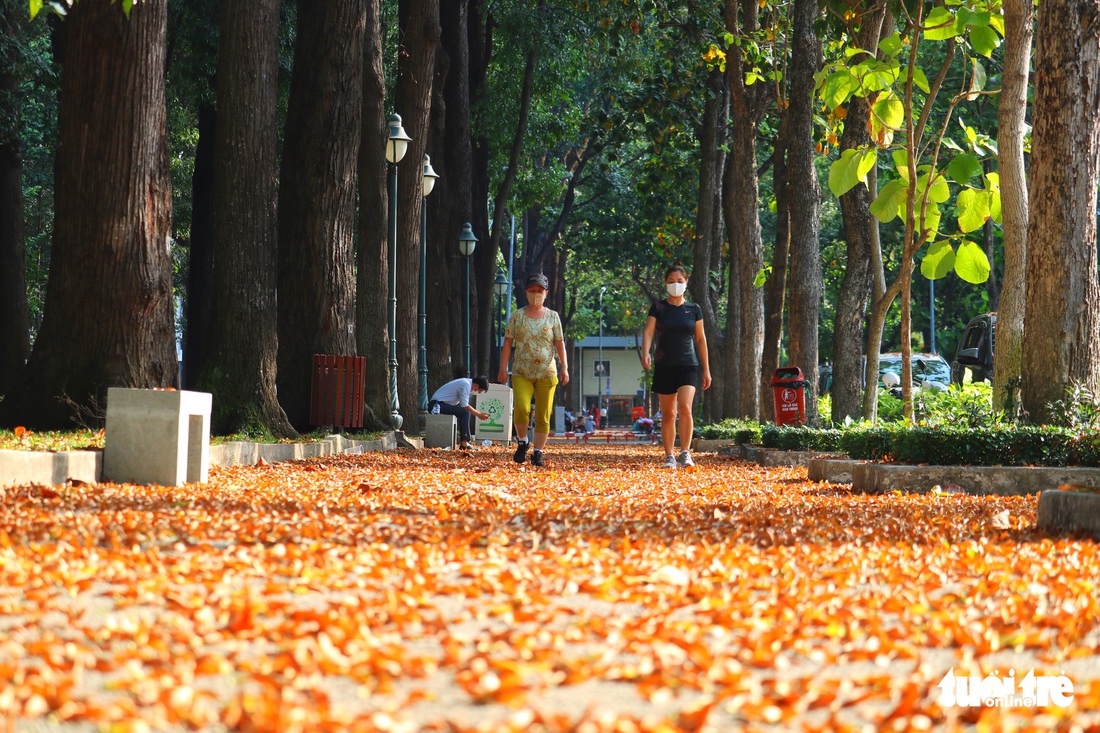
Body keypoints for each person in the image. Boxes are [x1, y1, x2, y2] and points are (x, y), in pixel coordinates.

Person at [641, 260, 712, 469]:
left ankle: (685, 453)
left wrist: (706, 369)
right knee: (669, 414)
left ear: (686, 282)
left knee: (685, 408)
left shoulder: (694, 309)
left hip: (688, 365)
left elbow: (701, 339)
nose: (675, 284)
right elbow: (648, 332)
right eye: (671, 281)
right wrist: (645, 352)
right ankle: (669, 456)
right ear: (665, 283)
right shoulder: (658, 307)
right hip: (664, 365)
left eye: (679, 280)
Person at [497, 273, 569, 467]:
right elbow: (508, 343)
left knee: (544, 414)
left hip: (547, 372)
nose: (536, 294)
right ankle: (522, 441)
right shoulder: (517, 316)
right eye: (532, 291)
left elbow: (560, 343)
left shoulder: (553, 316)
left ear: (545, 293)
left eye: (539, 291)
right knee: (521, 408)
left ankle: (538, 452)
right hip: (522, 372)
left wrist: (565, 367)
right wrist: (502, 368)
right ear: (526, 292)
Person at [428, 375, 490, 450]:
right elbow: (464, 405)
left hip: (441, 404)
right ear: (476, 385)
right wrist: (479, 414)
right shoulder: (466, 385)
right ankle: (464, 443)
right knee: (465, 413)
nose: (477, 392)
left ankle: (465, 441)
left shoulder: (465, 382)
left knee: (464, 413)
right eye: (479, 391)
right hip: (437, 405)